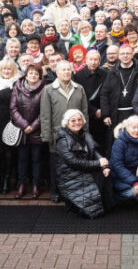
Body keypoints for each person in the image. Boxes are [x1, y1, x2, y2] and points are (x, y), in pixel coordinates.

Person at [40, 61, 89, 203]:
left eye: (69, 70)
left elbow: (85, 113)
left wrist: (85, 133)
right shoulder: (49, 89)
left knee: (74, 164)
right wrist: (46, 135)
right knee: (56, 165)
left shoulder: (79, 88)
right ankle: (56, 191)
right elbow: (45, 115)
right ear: (57, 72)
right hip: (57, 134)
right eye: (63, 70)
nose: (67, 72)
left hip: (76, 134)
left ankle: (72, 191)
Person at [55, 109, 113, 218]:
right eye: (73, 121)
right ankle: (76, 206)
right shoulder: (62, 140)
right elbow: (73, 162)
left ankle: (103, 205)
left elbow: (95, 152)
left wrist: (104, 166)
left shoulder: (85, 134)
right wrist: (97, 163)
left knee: (106, 173)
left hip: (84, 168)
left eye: (79, 119)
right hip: (69, 175)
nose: (77, 122)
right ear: (67, 123)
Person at [10, 64, 46, 199]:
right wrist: (25, 125)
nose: (33, 76)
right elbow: (13, 108)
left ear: (39, 76)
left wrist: (33, 126)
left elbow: (45, 110)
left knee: (37, 159)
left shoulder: (44, 89)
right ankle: (21, 185)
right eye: (31, 73)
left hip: (37, 130)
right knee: (22, 159)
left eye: (36, 74)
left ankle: (36, 186)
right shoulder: (17, 87)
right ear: (26, 74)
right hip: (22, 130)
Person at [100, 43, 138, 154]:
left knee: (134, 142)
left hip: (134, 113)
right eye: (122, 54)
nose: (125, 56)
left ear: (132, 54)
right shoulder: (112, 72)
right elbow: (104, 94)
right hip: (116, 114)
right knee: (117, 142)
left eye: (128, 53)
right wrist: (105, 114)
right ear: (119, 56)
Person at [0, 58, 20, 194]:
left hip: (11, 121)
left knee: (9, 153)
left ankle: (7, 180)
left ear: (13, 70)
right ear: (0, 70)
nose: (6, 71)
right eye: (4, 69)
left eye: (9, 69)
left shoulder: (18, 83)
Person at [74, 49, 109, 149]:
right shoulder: (78, 76)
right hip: (86, 115)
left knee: (102, 145)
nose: (93, 62)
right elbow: (79, 98)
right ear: (86, 60)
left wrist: (103, 111)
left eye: (96, 60)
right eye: (91, 59)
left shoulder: (105, 74)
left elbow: (107, 95)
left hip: (102, 115)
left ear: (99, 61)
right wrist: (94, 111)